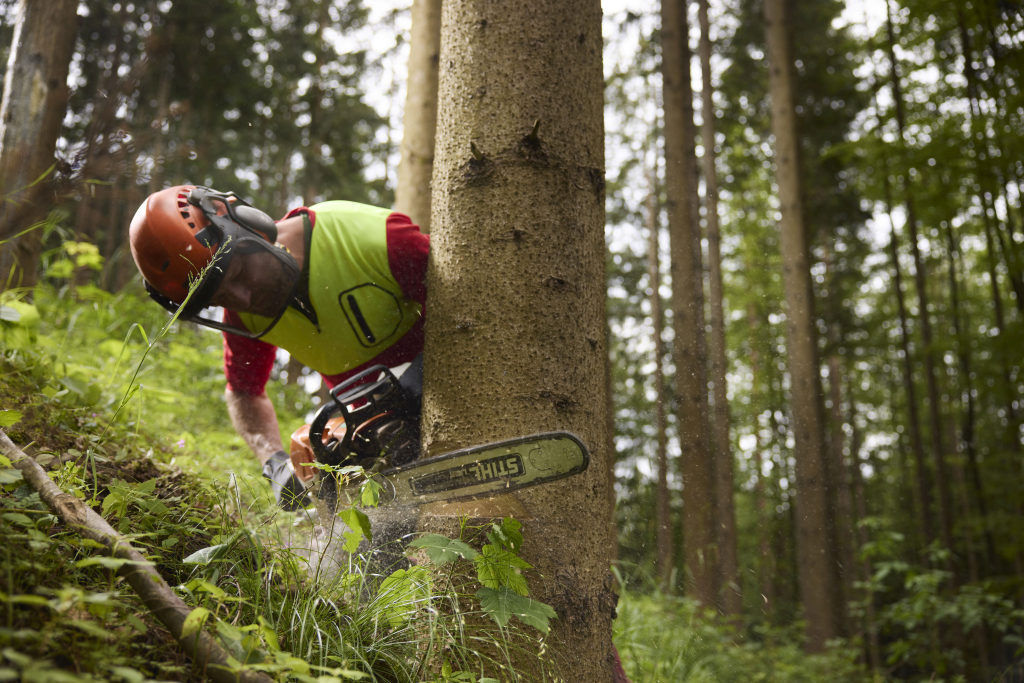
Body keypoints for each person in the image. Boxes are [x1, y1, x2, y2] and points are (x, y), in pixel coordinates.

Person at [128, 185, 429, 509]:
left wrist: (427, 372)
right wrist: (273, 461)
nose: (242, 299)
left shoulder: (373, 239)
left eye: (240, 273)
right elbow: (243, 391)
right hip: (377, 425)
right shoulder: (242, 319)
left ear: (250, 223)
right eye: (222, 296)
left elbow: (473, 301)